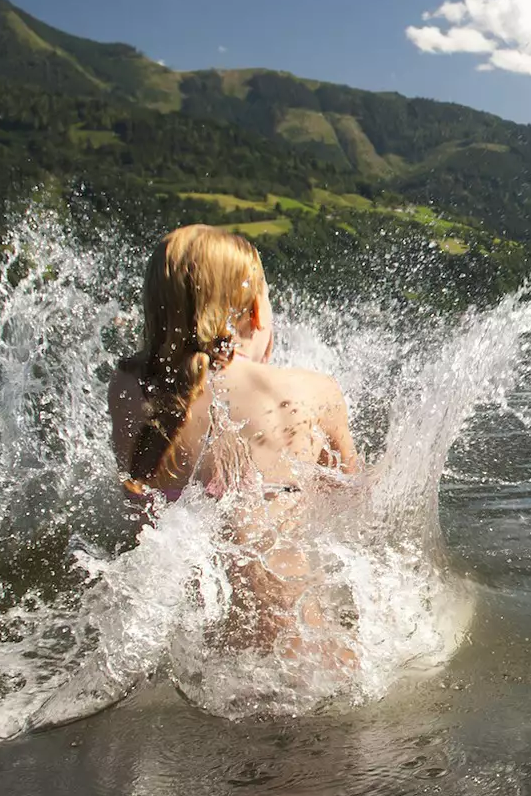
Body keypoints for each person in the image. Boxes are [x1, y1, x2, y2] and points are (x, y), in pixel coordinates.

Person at [108, 224, 361, 656]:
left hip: (190, 650)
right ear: (254, 313)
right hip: (297, 647)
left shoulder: (127, 389)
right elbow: (353, 506)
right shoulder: (312, 392)